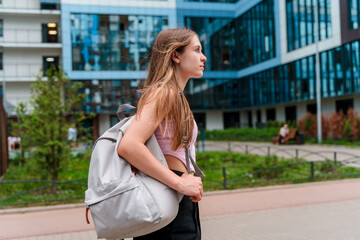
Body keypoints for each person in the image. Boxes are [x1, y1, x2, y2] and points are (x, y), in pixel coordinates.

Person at [117, 28, 206, 240]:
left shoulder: (175, 95)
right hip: (166, 193)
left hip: (173, 197)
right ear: (176, 55)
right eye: (196, 50)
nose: (203, 57)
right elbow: (129, 145)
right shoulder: (163, 92)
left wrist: (186, 182)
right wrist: (179, 183)